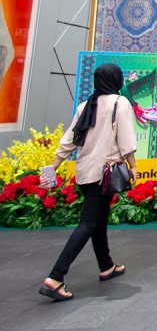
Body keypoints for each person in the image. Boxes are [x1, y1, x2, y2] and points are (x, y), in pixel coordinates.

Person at [39, 63, 138, 301]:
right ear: (116, 80)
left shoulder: (86, 105)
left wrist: (52, 168)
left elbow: (69, 140)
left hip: (85, 174)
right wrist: (133, 165)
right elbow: (125, 138)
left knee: (98, 219)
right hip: (104, 174)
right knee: (88, 223)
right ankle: (56, 277)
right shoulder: (119, 102)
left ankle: (107, 266)